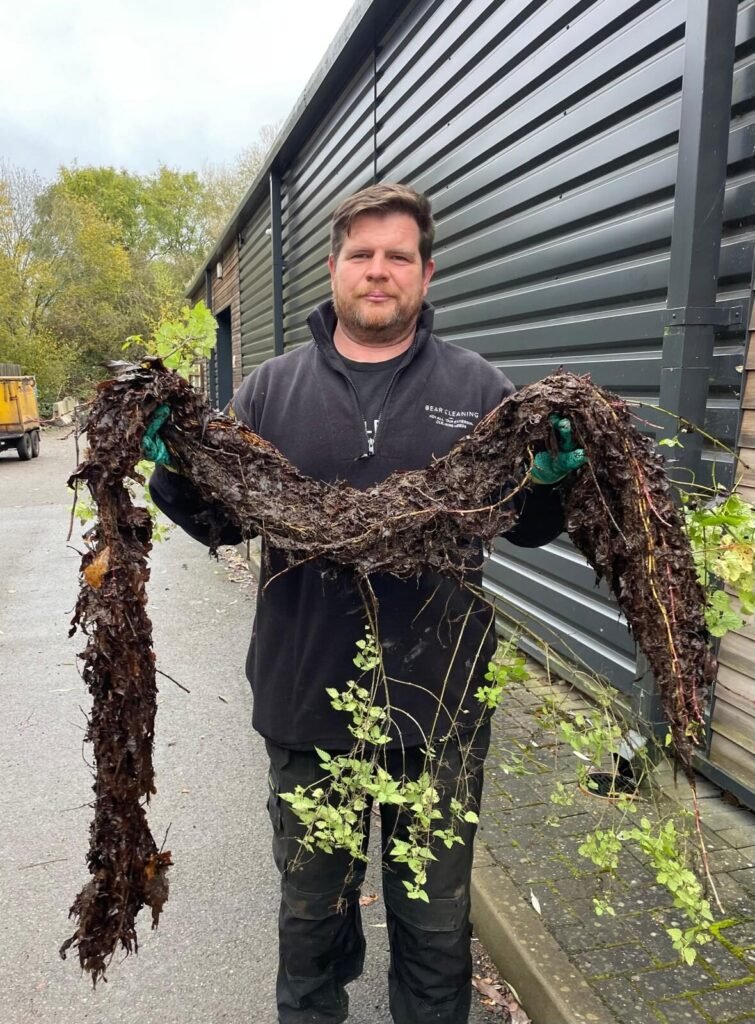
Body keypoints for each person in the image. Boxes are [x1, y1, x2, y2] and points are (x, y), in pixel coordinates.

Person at [149, 183, 584, 1024]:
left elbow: (523, 527)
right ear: (333, 268)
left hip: (441, 710)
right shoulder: (271, 391)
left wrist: (550, 485)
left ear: (426, 274)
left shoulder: (480, 386)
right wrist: (176, 468)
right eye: (361, 255)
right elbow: (224, 520)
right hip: (307, 699)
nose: (377, 272)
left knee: (433, 922)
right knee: (312, 915)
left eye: (397, 257)